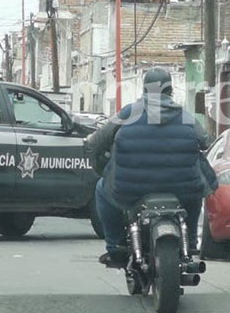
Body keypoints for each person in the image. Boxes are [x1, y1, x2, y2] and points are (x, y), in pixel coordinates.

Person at [85, 68, 215, 267]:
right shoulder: (184, 115)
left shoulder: (130, 112)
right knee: (196, 192)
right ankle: (189, 240)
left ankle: (115, 247)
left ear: (145, 90)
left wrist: (101, 169)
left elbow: (95, 143)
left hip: (132, 190)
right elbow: (205, 141)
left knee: (101, 189)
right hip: (181, 190)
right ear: (170, 90)